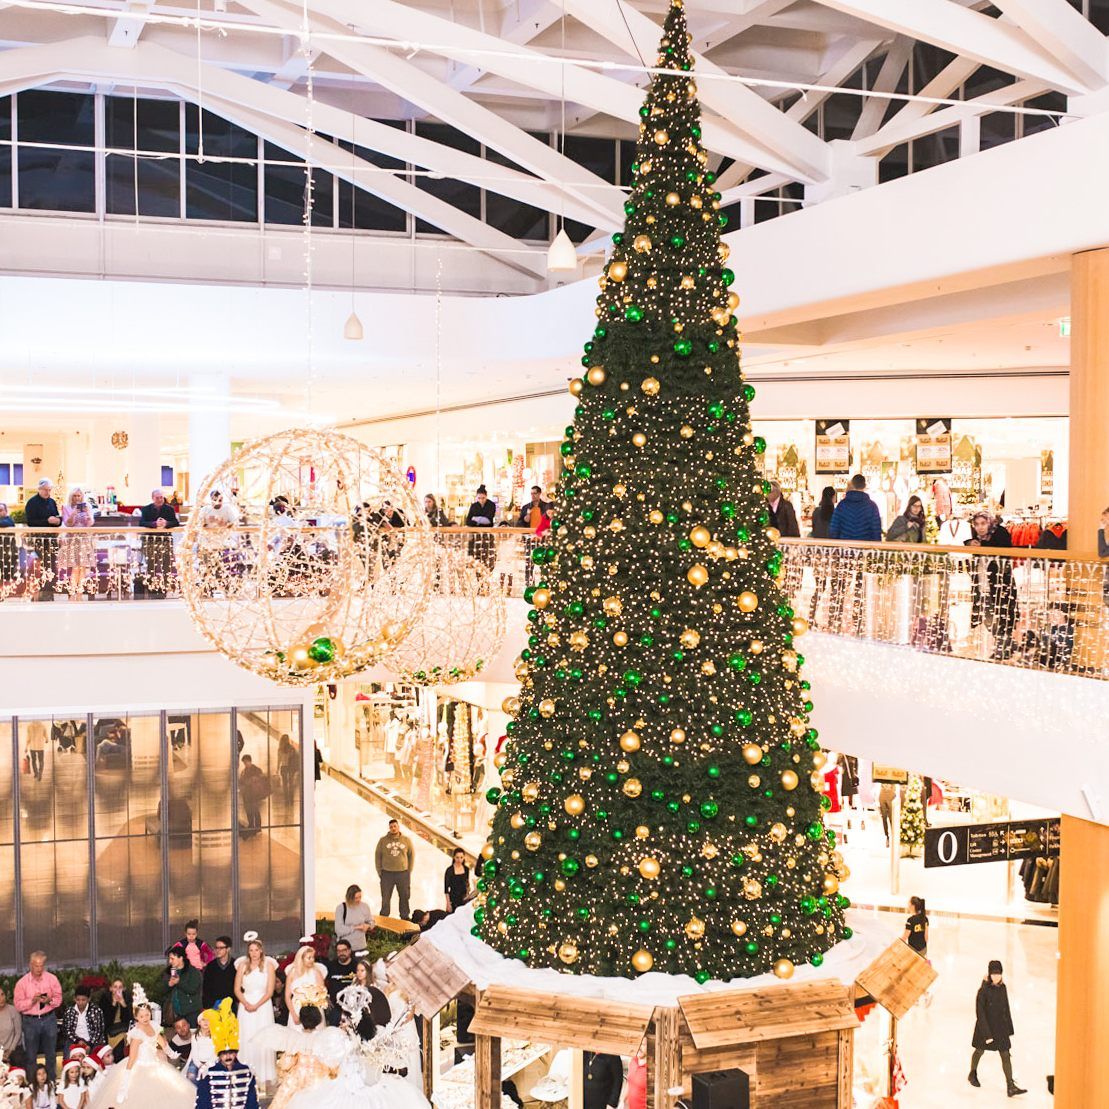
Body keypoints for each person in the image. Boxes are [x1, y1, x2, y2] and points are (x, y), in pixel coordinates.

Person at [87, 985, 195, 1109]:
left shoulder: (154, 1026)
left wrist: (171, 1053)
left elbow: (162, 1042)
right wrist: (124, 1083)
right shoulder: (137, 1033)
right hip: (139, 1066)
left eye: (147, 1015)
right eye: (142, 1016)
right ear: (136, 1017)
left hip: (155, 1064)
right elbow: (132, 1057)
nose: (145, 1018)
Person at [969, 960, 1026, 1097]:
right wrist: (987, 1034)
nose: (996, 976)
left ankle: (1010, 1086)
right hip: (985, 1029)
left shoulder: (1003, 988)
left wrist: (1009, 1029)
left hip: (1000, 1028)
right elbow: (980, 1014)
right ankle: (972, 1073)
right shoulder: (983, 991)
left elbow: (1006, 1009)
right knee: (979, 1050)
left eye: (998, 973)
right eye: (994, 974)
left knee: (1005, 1054)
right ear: (989, 974)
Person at [965, 512, 1018, 660]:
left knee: (1003, 615)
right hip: (983, 583)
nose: (980, 527)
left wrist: (982, 545)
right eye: (977, 524)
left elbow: (1003, 549)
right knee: (988, 617)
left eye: (983, 523)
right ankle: (1005, 643)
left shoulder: (1000, 532)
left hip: (1000, 583)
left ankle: (1003, 646)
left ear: (989, 523)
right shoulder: (976, 539)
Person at [195, 999, 259, 1109]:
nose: (228, 1057)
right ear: (218, 1054)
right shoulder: (207, 1073)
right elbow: (203, 1103)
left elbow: (251, 1103)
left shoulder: (246, 1072)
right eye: (224, 1053)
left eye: (231, 1053)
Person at [233, 935, 278, 1092]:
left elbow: (270, 991)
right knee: (246, 1037)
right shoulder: (242, 966)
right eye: (251, 950)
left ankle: (264, 1075)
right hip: (246, 1006)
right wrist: (246, 1003)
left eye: (256, 950)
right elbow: (237, 989)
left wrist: (257, 1005)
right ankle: (246, 1075)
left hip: (263, 1006)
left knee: (263, 1038)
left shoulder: (269, 966)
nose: (253, 953)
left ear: (261, 951)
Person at [15, 951, 62, 1084]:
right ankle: (33, 1085)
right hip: (30, 1021)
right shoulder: (22, 983)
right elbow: (18, 1005)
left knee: (51, 1055)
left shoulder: (52, 979)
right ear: (30, 965)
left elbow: (58, 1000)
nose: (39, 968)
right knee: (30, 1056)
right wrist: (32, 1001)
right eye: (36, 965)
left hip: (49, 1019)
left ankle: (51, 1084)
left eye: (41, 965)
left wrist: (49, 1001)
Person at [23, 478, 61, 601]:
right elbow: (30, 522)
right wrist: (47, 521)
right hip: (38, 540)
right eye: (45, 490)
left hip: (52, 540)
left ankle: (49, 592)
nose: (47, 492)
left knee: (52, 567)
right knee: (41, 566)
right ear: (39, 489)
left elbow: (57, 517)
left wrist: (58, 521)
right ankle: (40, 592)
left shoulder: (52, 502)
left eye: (49, 490)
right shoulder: (32, 503)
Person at [139, 488, 180, 598]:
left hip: (165, 541)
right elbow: (142, 522)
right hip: (150, 541)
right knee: (151, 565)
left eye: (161, 497)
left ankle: (165, 588)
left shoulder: (169, 509)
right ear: (153, 498)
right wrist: (154, 524)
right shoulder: (146, 509)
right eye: (157, 498)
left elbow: (176, 522)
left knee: (166, 565)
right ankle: (151, 589)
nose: (160, 500)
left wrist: (166, 523)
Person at [375, 819, 415, 919]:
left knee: (404, 896)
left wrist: (408, 870)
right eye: (391, 827)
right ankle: (384, 916)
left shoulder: (406, 840)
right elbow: (378, 856)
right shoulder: (383, 841)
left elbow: (411, 855)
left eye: (395, 826)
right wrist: (380, 871)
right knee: (385, 897)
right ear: (389, 828)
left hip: (403, 874)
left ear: (398, 827)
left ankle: (405, 916)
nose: (393, 828)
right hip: (387, 874)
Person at [60, 488, 96, 598]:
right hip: (72, 538)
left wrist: (88, 515)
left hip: (84, 538)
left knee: (83, 567)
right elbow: (67, 524)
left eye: (79, 496)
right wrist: (73, 513)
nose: (77, 498)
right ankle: (72, 592)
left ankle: (80, 593)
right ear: (71, 497)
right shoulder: (66, 508)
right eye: (75, 496)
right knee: (75, 567)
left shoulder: (87, 507)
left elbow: (90, 524)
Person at [284, 946, 329, 1028]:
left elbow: (322, 992)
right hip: (296, 1009)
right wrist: (294, 1014)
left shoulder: (316, 972)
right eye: (309, 958)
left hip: (314, 1009)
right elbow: (287, 997)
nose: (312, 960)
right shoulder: (292, 973)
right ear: (301, 958)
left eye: (313, 957)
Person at [829, 474, 882, 541]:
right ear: (864, 486)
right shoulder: (872, 506)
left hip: (845, 548)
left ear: (852, 485)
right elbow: (876, 532)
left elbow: (833, 530)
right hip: (865, 549)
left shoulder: (842, 505)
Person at [165, 945, 203, 1029]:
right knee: (180, 1036)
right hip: (177, 1012)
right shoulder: (169, 971)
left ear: (181, 958)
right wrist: (169, 985)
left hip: (191, 1011)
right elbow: (162, 990)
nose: (170, 961)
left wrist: (179, 982)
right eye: (169, 959)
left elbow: (193, 989)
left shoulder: (193, 972)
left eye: (172, 958)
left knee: (192, 1033)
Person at [63, 986, 106, 1054]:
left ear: (89, 999)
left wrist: (89, 1044)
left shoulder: (96, 1011)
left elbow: (99, 1030)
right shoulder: (69, 1011)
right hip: (74, 1040)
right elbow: (67, 1030)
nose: (80, 1002)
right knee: (68, 1057)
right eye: (78, 1000)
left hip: (93, 1041)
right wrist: (78, 1041)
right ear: (74, 999)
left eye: (83, 1000)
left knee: (96, 1057)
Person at [465, 485, 497, 570]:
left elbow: (489, 520)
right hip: (475, 535)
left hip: (487, 535)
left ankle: (487, 574)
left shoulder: (491, 505)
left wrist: (476, 518)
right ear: (476, 497)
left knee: (487, 556)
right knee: (476, 557)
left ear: (486, 496)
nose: (481, 500)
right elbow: (468, 521)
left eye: (483, 498)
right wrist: (482, 519)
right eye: (479, 498)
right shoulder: (474, 506)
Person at [324, 940, 358, 1021]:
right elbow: (322, 983)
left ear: (349, 951)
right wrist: (325, 997)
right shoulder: (330, 966)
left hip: (353, 1006)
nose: (341, 953)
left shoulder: (356, 966)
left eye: (344, 950)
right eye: (338, 951)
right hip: (334, 1007)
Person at [203, 937, 237, 1010]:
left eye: (221, 948)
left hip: (232, 1006)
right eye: (216, 948)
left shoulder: (235, 965)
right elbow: (206, 988)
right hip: (214, 1006)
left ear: (228, 949)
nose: (217, 950)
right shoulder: (211, 966)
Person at [239, 755, 269, 837]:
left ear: (249, 761)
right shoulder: (244, 771)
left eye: (246, 762)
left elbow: (262, 778)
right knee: (249, 811)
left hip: (254, 794)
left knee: (255, 811)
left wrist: (252, 780)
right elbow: (242, 781)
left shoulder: (256, 770)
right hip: (247, 795)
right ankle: (251, 826)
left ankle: (258, 828)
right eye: (244, 763)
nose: (245, 764)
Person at [185, 1010, 217, 1084]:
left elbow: (216, 1053)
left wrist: (207, 1065)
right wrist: (200, 1065)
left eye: (208, 1020)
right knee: (191, 1076)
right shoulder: (195, 1037)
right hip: (197, 1062)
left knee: (209, 1079)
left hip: (211, 1062)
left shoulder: (215, 1036)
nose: (206, 1022)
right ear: (199, 1022)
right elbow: (194, 1053)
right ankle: (195, 1092)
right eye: (203, 1020)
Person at [98, 980, 131, 1053]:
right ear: (111, 988)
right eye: (115, 987)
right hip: (109, 1030)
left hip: (123, 1029)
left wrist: (123, 1004)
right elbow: (106, 1020)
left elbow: (129, 1019)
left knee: (123, 1040)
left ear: (124, 989)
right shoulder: (105, 999)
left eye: (120, 987)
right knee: (119, 1045)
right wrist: (113, 1004)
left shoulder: (127, 998)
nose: (117, 990)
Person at [0, 984, 24, 1068]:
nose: (1, 998)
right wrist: (2, 1053)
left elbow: (18, 1033)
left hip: (14, 1048)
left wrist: (9, 1051)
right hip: (1, 1050)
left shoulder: (13, 1010)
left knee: (17, 1058)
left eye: (2, 994)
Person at [443, 848, 472, 913]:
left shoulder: (466, 869)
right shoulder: (449, 870)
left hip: (464, 899)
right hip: (453, 899)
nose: (459, 860)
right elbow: (446, 889)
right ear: (454, 857)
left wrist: (468, 892)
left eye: (461, 857)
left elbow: (467, 882)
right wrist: (448, 904)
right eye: (457, 857)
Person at [622, 1041, 647, 1109]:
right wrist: (623, 1101)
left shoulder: (651, 1070)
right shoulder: (633, 1061)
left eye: (643, 1045)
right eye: (638, 1043)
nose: (639, 1047)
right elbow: (629, 1083)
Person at [277, 734, 299, 807]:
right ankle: (291, 800)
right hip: (290, 768)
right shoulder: (291, 748)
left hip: (284, 767)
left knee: (285, 785)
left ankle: (286, 800)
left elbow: (279, 760)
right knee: (291, 784)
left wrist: (277, 769)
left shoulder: (280, 749)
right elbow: (294, 757)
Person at [0, 501, 16, 589]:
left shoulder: (9, 520)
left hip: (7, 553)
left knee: (6, 574)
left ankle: (4, 592)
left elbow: (6, 523)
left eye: (1, 510)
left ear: (6, 511)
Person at [878, 782, 896, 848]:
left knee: (892, 818)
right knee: (884, 817)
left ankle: (893, 838)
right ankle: (887, 837)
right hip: (883, 793)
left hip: (891, 792)